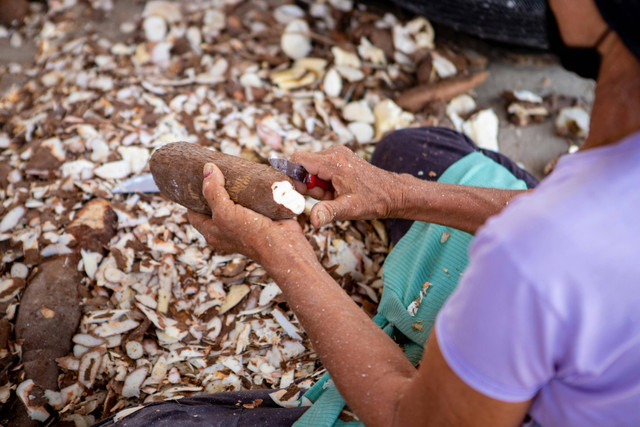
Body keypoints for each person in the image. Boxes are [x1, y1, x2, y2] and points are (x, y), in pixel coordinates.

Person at [94, 0, 640, 425]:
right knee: (415, 153)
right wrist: (396, 191)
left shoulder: (535, 255)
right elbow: (566, 217)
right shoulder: (591, 199)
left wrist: (283, 255)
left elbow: (411, 420)